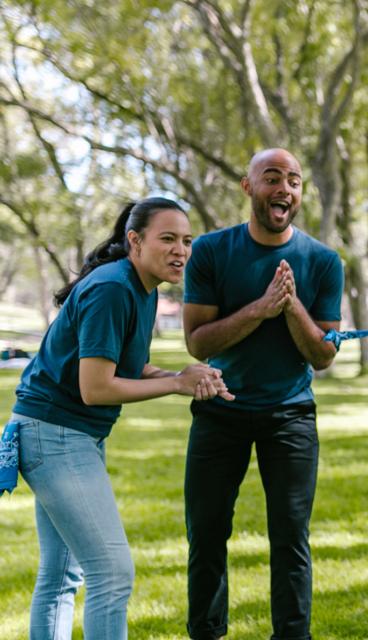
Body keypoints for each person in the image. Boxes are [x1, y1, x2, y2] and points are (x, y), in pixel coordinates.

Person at [8, 198, 230, 640]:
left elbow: (125, 365)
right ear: (135, 240)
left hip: (65, 433)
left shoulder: (140, 287)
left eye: (186, 241)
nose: (180, 251)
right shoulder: (113, 288)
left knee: (61, 576)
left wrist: (182, 374)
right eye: (167, 239)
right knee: (112, 572)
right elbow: (97, 388)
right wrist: (176, 385)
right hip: (55, 434)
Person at [182, 148, 344, 640]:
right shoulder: (210, 251)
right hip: (220, 409)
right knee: (206, 534)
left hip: (290, 416)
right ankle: (206, 633)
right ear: (248, 187)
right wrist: (258, 309)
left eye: (293, 181)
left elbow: (323, 356)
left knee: (291, 538)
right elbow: (198, 342)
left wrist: (291, 307)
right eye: (272, 178)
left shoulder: (323, 261)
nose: (284, 189)